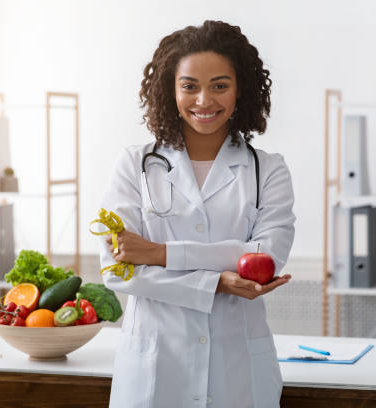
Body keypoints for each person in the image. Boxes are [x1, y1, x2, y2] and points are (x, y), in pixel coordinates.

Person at [97, 20, 296, 408]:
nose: (204, 101)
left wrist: (158, 254)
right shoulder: (134, 165)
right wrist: (216, 283)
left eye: (219, 86)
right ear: (170, 90)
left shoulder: (268, 169)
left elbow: (265, 257)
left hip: (238, 372)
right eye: (190, 86)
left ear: (241, 90)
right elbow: (116, 268)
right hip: (155, 369)